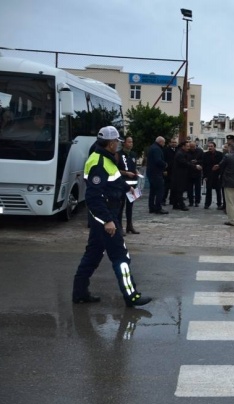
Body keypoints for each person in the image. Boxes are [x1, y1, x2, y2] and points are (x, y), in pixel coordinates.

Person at [72, 126, 151, 308]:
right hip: (106, 218)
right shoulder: (99, 163)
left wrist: (127, 187)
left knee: (92, 254)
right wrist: (107, 220)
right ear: (110, 143)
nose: (118, 144)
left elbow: (113, 179)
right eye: (116, 141)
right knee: (120, 256)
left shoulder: (105, 158)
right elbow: (93, 196)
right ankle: (131, 296)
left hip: (106, 215)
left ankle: (80, 292)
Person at [117, 136, 140, 235]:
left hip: (133, 184)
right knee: (121, 206)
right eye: (129, 142)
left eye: (132, 142)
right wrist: (126, 173)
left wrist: (136, 171)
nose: (131, 144)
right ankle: (119, 226)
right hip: (123, 184)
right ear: (124, 143)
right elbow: (116, 170)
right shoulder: (118, 155)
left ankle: (129, 226)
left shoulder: (133, 154)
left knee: (130, 206)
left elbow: (133, 167)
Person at [146, 136, 168, 214]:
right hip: (156, 173)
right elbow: (158, 160)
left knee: (153, 191)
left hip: (151, 173)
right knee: (160, 190)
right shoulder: (156, 149)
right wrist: (165, 164)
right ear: (160, 142)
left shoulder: (152, 147)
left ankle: (152, 207)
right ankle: (158, 207)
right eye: (164, 142)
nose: (164, 144)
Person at [201, 141, 224, 209]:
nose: (210, 147)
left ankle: (219, 204)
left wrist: (220, 174)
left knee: (218, 190)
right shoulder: (205, 155)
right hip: (209, 175)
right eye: (209, 146)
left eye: (211, 146)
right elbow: (204, 166)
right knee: (208, 190)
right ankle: (207, 203)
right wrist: (204, 176)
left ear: (214, 147)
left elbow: (222, 165)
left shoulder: (220, 154)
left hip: (217, 175)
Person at [170, 141, 190, 211]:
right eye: (187, 146)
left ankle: (175, 204)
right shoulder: (180, 154)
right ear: (183, 146)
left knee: (177, 191)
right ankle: (182, 205)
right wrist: (194, 166)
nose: (188, 148)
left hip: (179, 175)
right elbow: (184, 163)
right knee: (179, 191)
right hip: (179, 175)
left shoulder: (182, 153)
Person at [186, 140, 204, 207]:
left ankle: (197, 201)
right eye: (191, 147)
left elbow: (203, 160)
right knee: (189, 188)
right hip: (189, 172)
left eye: (193, 147)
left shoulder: (200, 151)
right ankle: (191, 201)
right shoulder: (187, 151)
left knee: (198, 188)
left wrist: (197, 161)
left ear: (196, 146)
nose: (192, 148)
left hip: (197, 172)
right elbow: (185, 160)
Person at [163, 138, 179, 205]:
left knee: (174, 186)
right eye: (172, 142)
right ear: (170, 143)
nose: (174, 144)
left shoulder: (178, 150)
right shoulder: (166, 150)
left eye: (175, 142)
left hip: (175, 171)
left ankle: (172, 200)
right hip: (168, 171)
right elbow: (163, 160)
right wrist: (164, 170)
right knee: (166, 187)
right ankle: (163, 200)